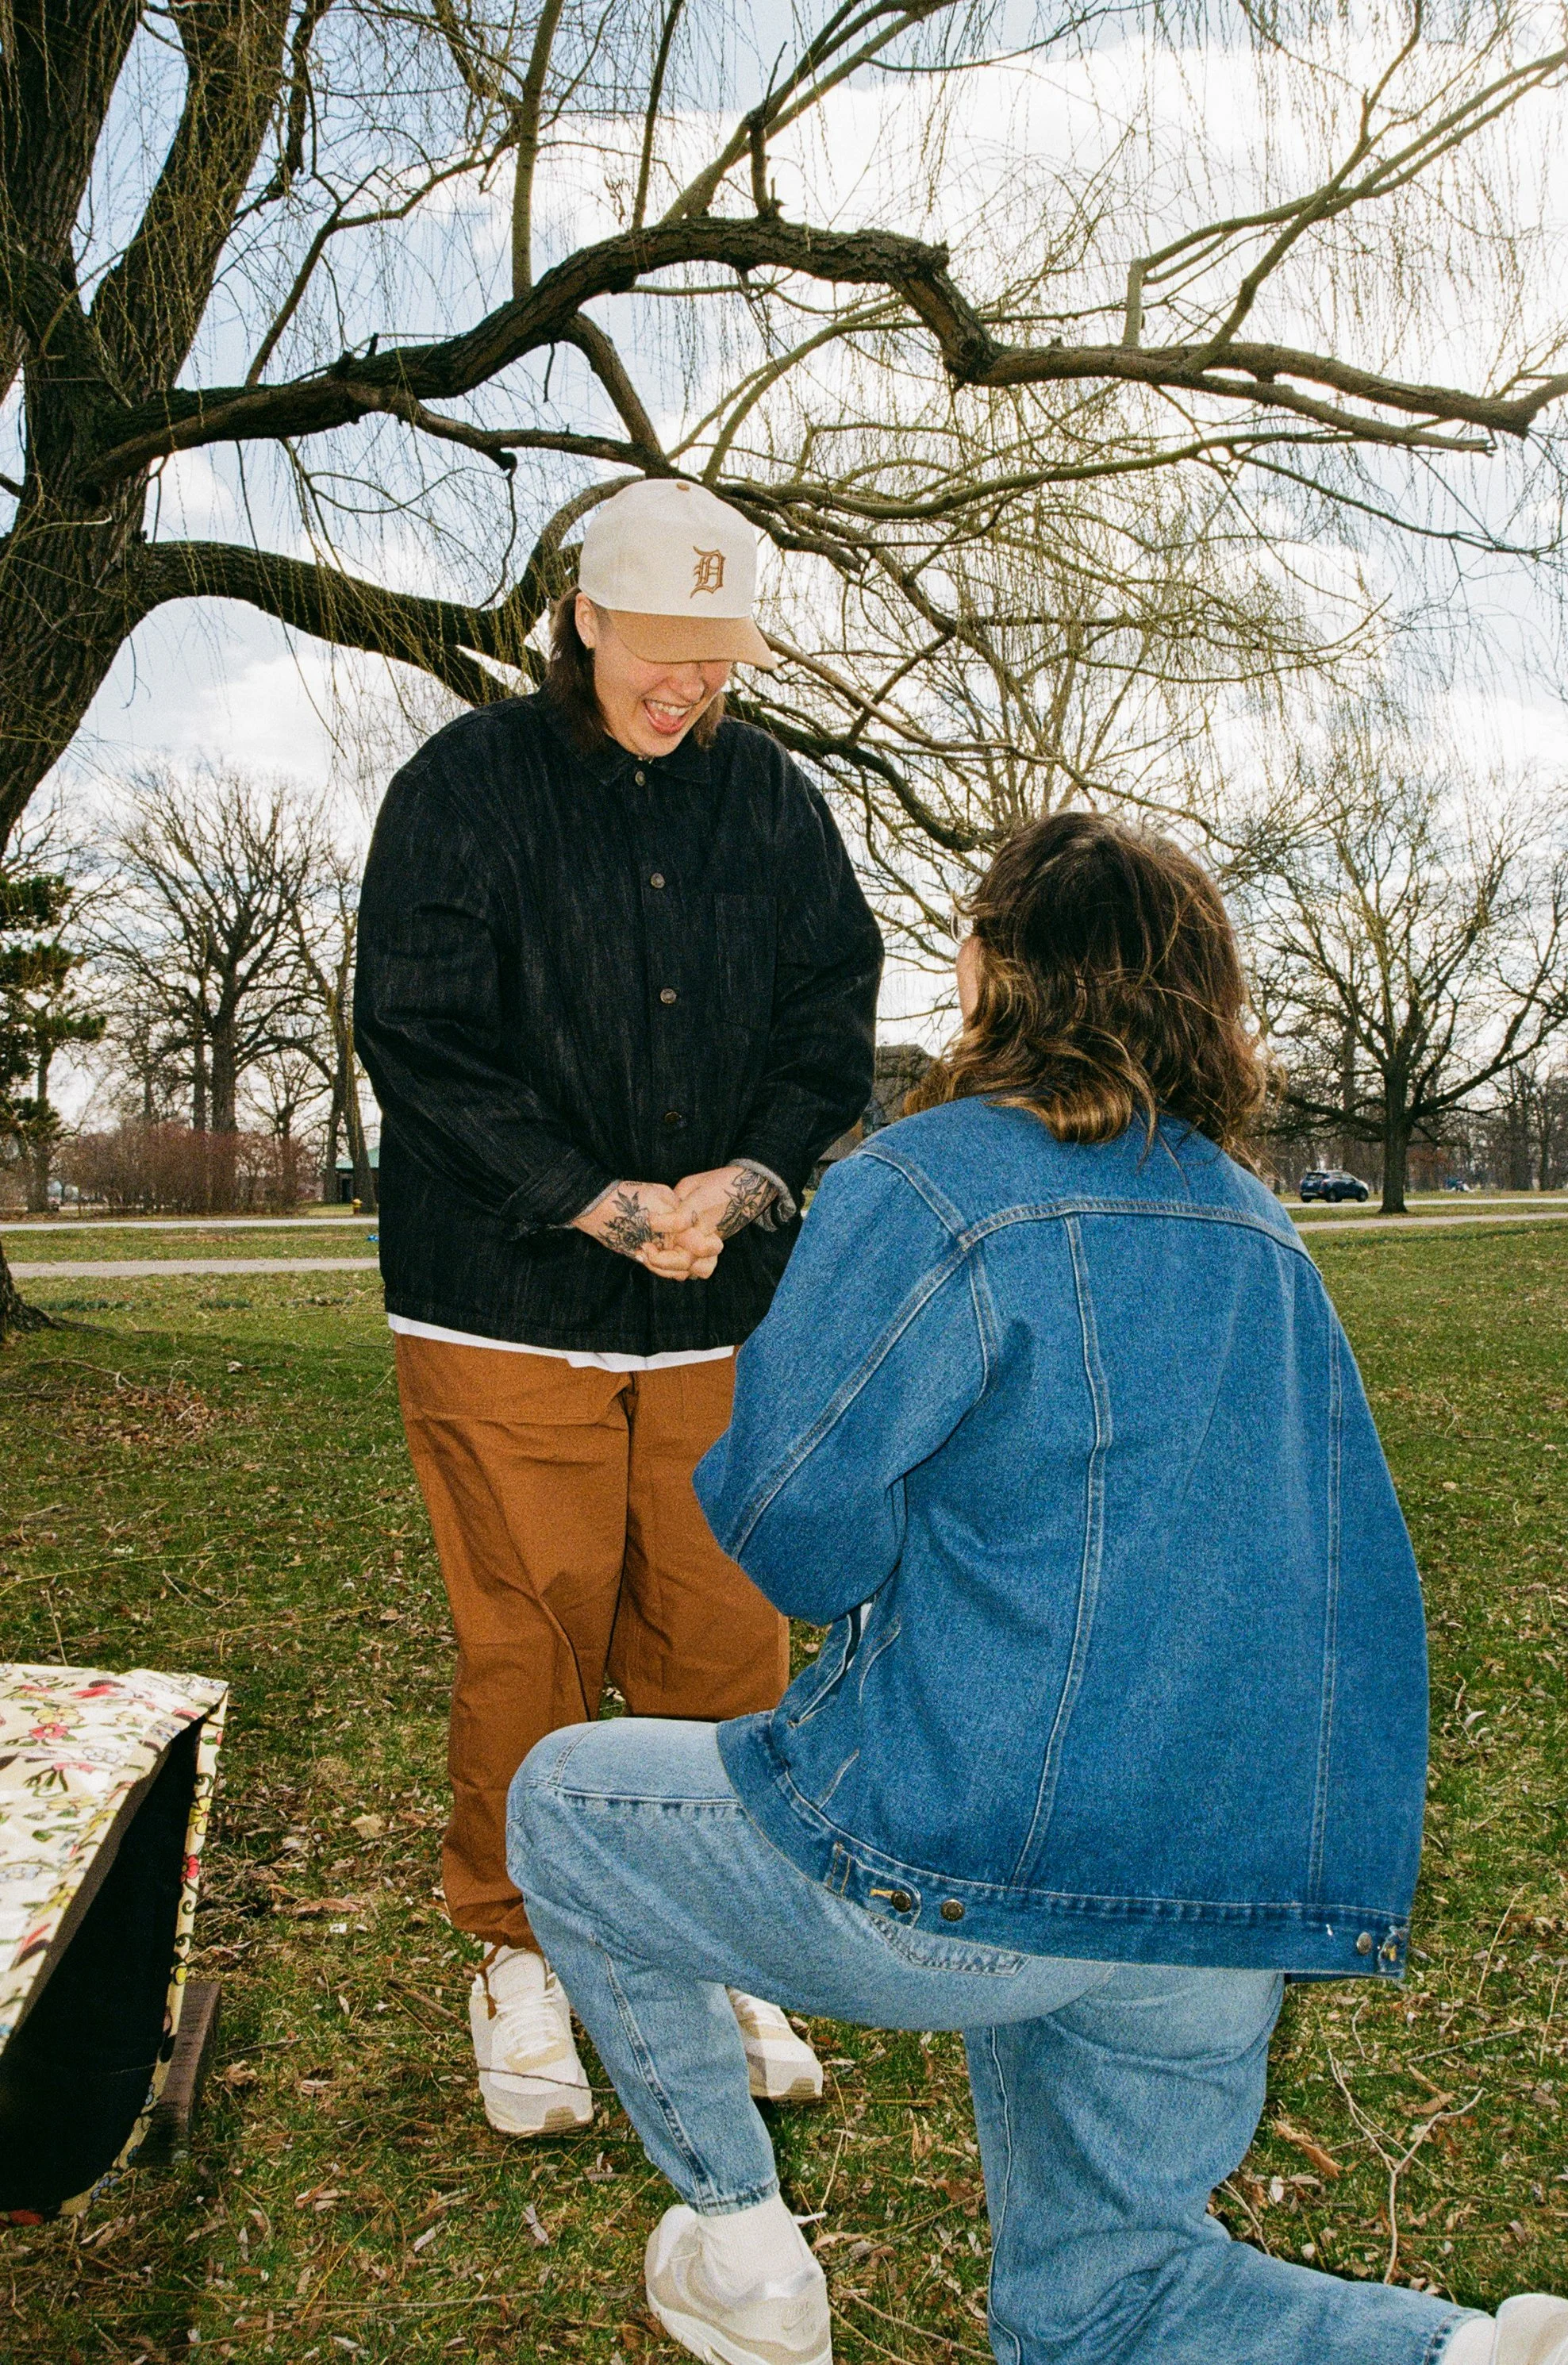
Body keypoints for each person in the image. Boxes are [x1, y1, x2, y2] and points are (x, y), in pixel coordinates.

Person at [509, 812, 1568, 2365]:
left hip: (991, 1855)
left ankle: (739, 2242)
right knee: (1101, 2298)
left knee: (564, 1800)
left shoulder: (926, 1180)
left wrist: (887, 1553)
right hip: (1220, 1888)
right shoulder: (1256, 1221)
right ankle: (1468, 2354)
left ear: (994, 968)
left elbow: (790, 1515)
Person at [354, 476, 883, 2136]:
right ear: (582, 616)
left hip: (721, 1315)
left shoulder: (775, 803)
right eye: (660, 648)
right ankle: (515, 1951)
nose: (688, 685)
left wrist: (751, 1176)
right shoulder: (464, 787)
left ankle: (711, 1937)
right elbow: (419, 1033)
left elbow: (829, 1013)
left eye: (716, 657)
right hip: (504, 1305)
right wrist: (595, 1198)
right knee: (533, 1640)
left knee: (720, 1647)